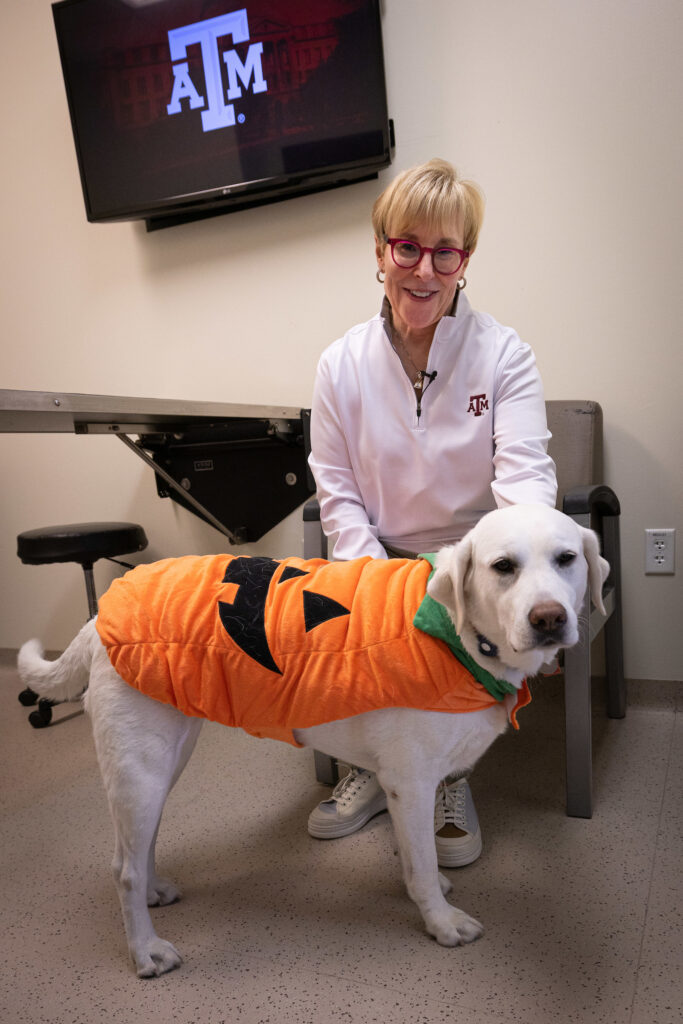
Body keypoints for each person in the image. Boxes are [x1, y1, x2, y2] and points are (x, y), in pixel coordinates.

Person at [306, 158, 557, 866]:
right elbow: (335, 488)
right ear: (380, 250)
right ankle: (372, 762)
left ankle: (448, 774)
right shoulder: (340, 365)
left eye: (444, 251)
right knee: (355, 622)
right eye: (406, 247)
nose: (423, 270)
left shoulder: (503, 355)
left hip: (472, 559)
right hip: (374, 558)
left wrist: (516, 578)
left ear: (464, 260)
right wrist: (376, 581)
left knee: (457, 624)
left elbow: (525, 479)